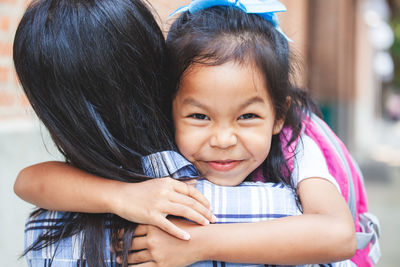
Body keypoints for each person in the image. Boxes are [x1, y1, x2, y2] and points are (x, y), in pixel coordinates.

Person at [14, 0, 356, 266]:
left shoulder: (296, 143)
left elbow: (340, 234)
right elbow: (26, 182)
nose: (223, 139)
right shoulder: (165, 152)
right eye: (200, 116)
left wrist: (200, 243)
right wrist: (121, 196)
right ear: (167, 105)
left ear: (280, 114)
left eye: (248, 115)